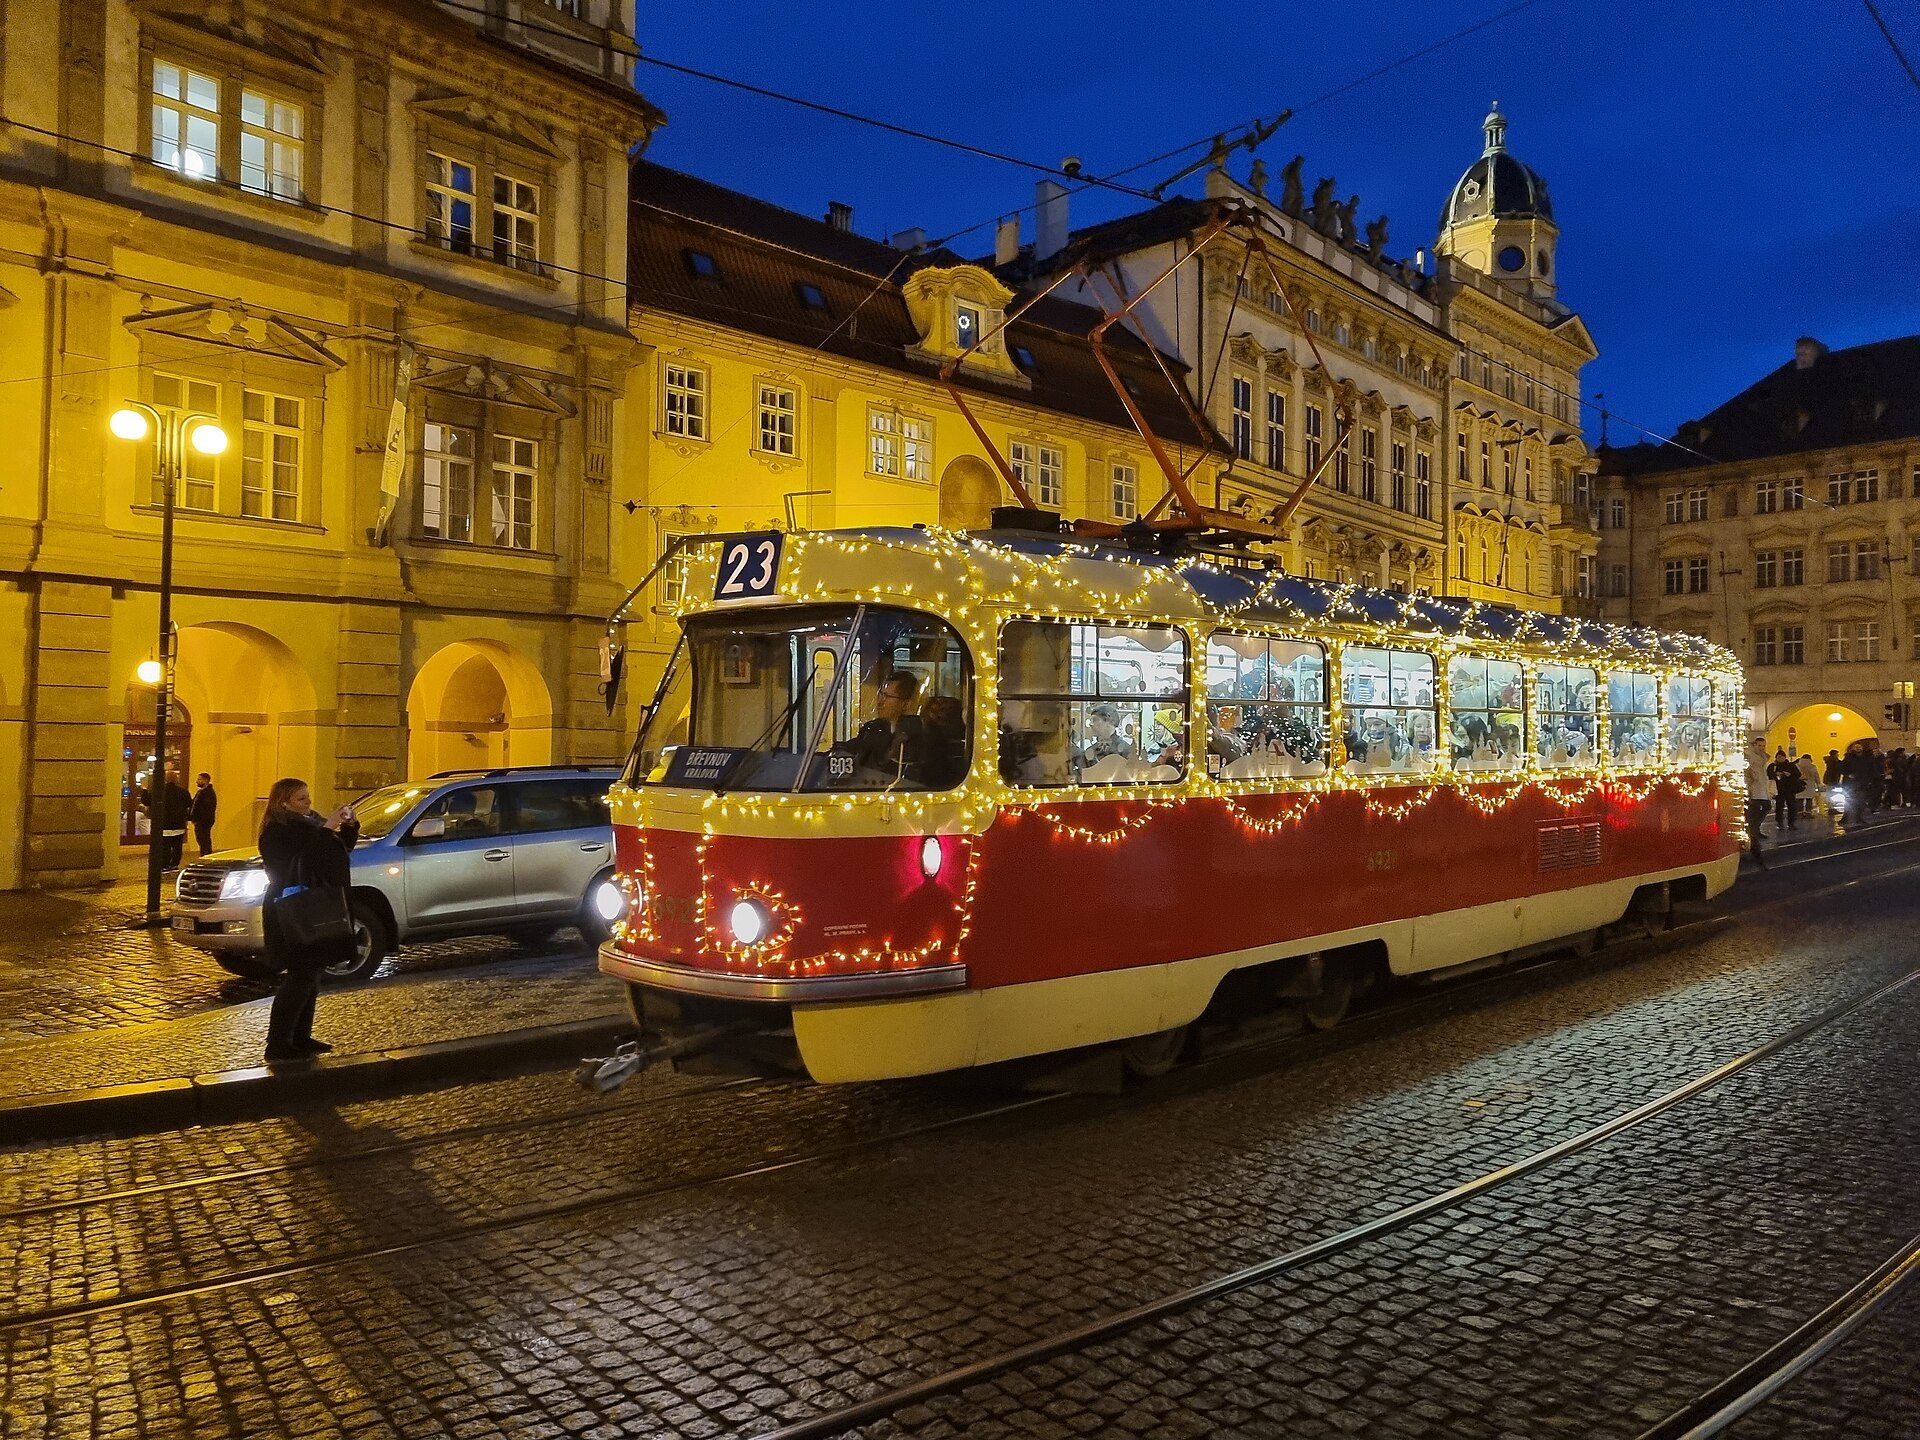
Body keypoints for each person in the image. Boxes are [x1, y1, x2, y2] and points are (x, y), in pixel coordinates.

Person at [258, 777, 359, 1064]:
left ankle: (300, 1036)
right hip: (291, 905)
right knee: (299, 974)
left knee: (311, 972)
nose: (308, 802)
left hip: (313, 902)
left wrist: (348, 828)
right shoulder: (277, 831)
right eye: (301, 799)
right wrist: (326, 828)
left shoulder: (309, 824)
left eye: (308, 796)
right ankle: (277, 1043)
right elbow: (303, 859)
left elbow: (335, 852)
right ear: (283, 802)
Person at [845, 673, 925, 780]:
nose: (880, 702)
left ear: (906, 704)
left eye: (887, 697)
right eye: (881, 695)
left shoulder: (919, 734)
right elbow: (855, 749)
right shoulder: (873, 728)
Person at [144, 769, 193, 869]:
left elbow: (147, 801)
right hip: (178, 824)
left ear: (165, 779)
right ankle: (174, 863)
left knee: (164, 846)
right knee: (177, 846)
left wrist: (144, 789)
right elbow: (189, 804)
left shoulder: (159, 791)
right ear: (176, 780)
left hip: (163, 824)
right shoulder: (183, 792)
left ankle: (165, 863)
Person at [1766, 748, 1802, 832]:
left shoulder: (1790, 765)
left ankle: (1791, 823)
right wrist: (1776, 774)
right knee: (1779, 807)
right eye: (1779, 757)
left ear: (1785, 757)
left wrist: (1789, 775)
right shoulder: (1773, 766)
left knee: (1792, 806)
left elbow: (1798, 774)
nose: (1780, 759)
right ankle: (1780, 823)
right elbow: (1769, 774)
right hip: (1778, 790)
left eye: (1782, 757)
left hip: (1790, 789)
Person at [1745, 739, 1773, 842]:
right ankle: (1753, 831)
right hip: (1754, 787)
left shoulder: (1763, 756)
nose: (1762, 748)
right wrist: (1750, 780)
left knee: (1765, 807)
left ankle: (1755, 830)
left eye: (1763, 746)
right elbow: (1747, 771)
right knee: (1756, 810)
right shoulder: (1750, 756)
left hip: (1761, 787)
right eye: (1760, 745)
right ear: (1755, 745)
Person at [189, 772, 218, 856]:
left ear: (205, 781)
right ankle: (204, 855)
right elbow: (194, 804)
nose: (197, 781)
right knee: (201, 840)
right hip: (199, 821)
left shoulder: (208, 793)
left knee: (204, 840)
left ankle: (206, 855)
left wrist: (199, 819)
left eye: (199, 779)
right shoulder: (201, 792)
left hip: (203, 822)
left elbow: (207, 809)